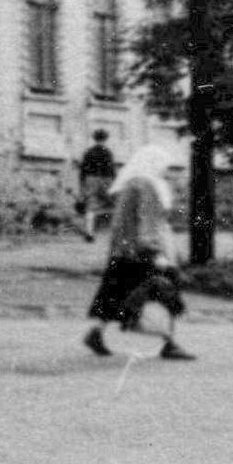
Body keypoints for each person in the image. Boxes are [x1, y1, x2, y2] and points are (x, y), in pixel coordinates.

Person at [83, 144, 194, 361]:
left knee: (117, 294)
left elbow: (122, 223)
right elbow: (148, 221)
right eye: (163, 165)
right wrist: (155, 252)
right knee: (165, 293)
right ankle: (169, 344)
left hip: (125, 251)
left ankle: (96, 334)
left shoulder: (132, 184)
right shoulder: (147, 185)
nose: (165, 170)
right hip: (146, 251)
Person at [74, 129, 119, 241]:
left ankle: (89, 233)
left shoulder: (88, 152)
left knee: (90, 206)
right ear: (106, 139)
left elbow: (83, 170)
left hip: (91, 180)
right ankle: (116, 232)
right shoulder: (108, 152)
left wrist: (82, 185)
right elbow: (112, 170)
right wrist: (115, 182)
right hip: (106, 180)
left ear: (94, 138)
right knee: (113, 205)